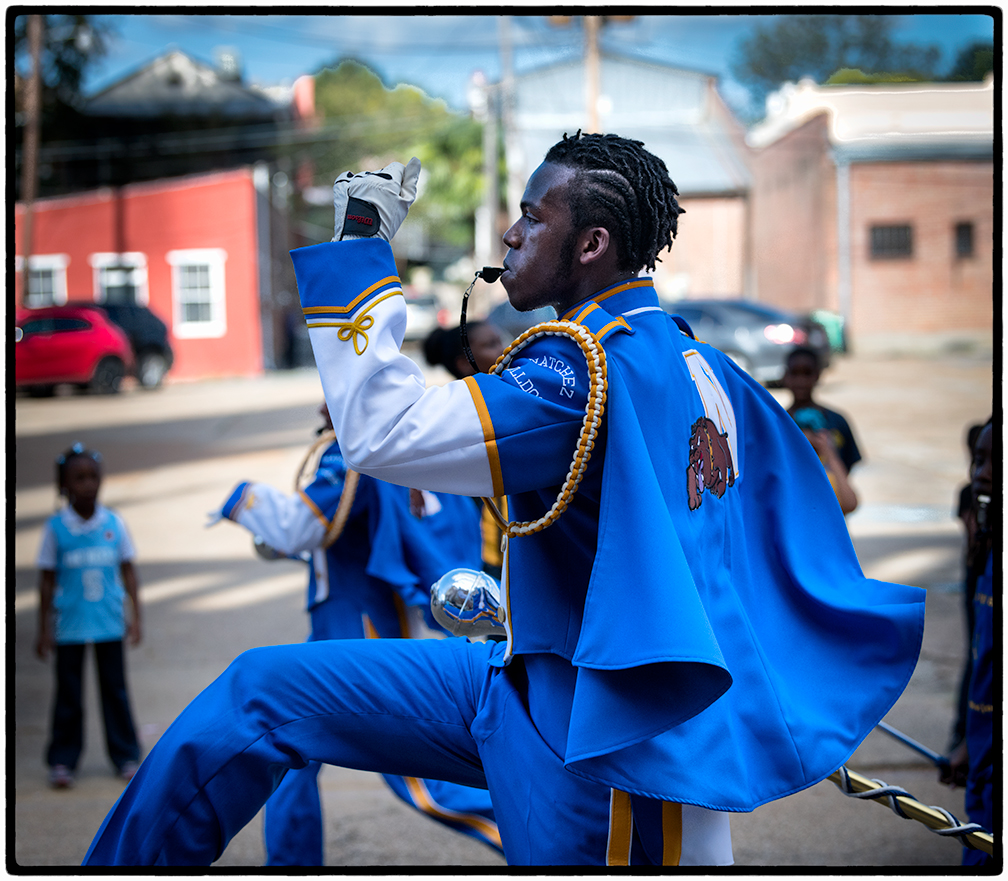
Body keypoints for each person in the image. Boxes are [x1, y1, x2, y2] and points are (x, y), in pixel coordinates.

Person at [85, 133, 925, 867]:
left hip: (608, 742)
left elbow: (384, 433)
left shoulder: (580, 368)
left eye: (533, 217)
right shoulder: (702, 363)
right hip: (523, 676)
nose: (510, 235)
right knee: (261, 690)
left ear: (592, 243)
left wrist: (362, 242)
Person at [210, 401, 501, 864]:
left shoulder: (348, 459)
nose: (321, 403)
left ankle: (544, 840)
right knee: (285, 750)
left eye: (333, 390)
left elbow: (295, 528)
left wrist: (239, 498)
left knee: (412, 774)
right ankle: (291, 866)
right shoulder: (381, 455)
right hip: (335, 625)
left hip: (357, 627)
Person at [35, 442, 142, 789]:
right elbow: (47, 581)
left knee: (115, 690)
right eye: (78, 478)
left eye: (93, 477)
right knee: (69, 695)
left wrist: (135, 617)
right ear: (63, 486)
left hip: (109, 623)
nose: (88, 485)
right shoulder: (55, 529)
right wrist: (43, 630)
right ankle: (63, 760)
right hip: (70, 626)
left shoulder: (114, 523)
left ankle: (125, 754)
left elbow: (128, 571)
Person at [939, 418, 994, 866]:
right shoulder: (990, 554)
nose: (984, 473)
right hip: (984, 748)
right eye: (979, 459)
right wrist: (969, 742)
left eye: (998, 461)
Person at [422, 322, 508, 579]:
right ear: (463, 363)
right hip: (485, 554)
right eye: (490, 345)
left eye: (499, 340)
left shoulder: (506, 395)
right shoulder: (453, 413)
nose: (503, 349)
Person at [946, 421, 986, 756]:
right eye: (978, 460)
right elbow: (974, 538)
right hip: (976, 589)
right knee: (975, 658)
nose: (982, 473)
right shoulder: (968, 494)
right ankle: (962, 734)